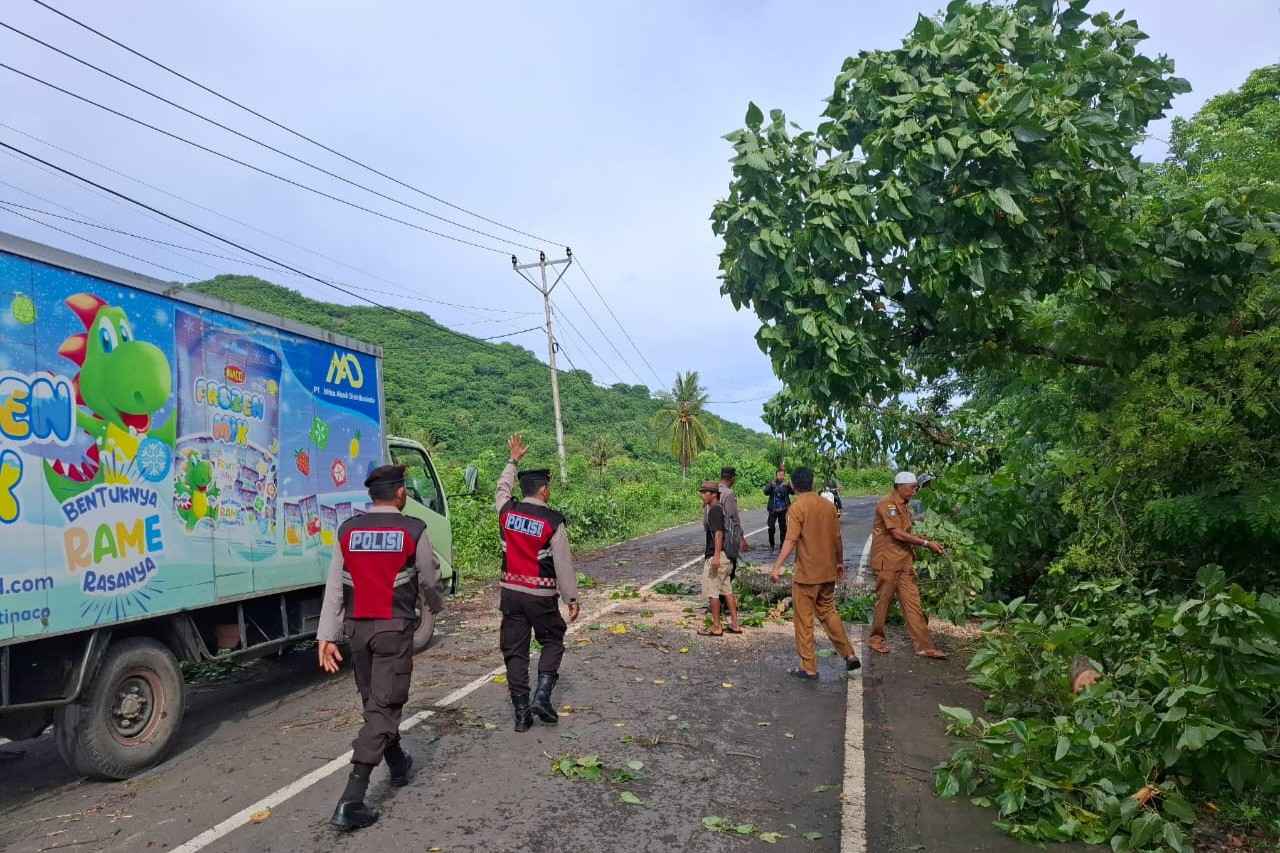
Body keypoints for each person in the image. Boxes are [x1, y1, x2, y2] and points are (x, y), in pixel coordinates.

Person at [317, 464, 442, 831]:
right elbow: (430, 578)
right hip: (393, 630)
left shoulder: (348, 530)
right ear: (401, 493)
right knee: (385, 706)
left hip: (357, 631)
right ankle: (351, 800)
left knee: (375, 701)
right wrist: (434, 606)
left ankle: (398, 762)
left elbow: (336, 586)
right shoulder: (413, 529)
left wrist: (326, 635)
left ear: (373, 495)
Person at [496, 434, 580, 732]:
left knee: (515, 651)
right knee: (553, 640)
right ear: (544, 490)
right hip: (540, 595)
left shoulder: (507, 512)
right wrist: (571, 598)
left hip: (510, 593)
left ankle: (521, 713)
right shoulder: (552, 521)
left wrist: (513, 460)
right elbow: (563, 564)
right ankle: (542, 695)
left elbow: (502, 489)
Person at [769, 467, 859, 680]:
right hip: (828, 572)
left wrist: (777, 566)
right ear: (812, 482)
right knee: (828, 612)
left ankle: (809, 667)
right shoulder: (828, 506)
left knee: (804, 620)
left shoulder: (797, 507)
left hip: (807, 575)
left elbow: (791, 539)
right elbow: (837, 539)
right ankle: (849, 654)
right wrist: (839, 563)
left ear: (793, 484)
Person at [867, 471, 948, 660]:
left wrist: (928, 539)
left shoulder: (906, 507)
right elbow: (897, 533)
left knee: (913, 604)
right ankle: (876, 639)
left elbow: (908, 531)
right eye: (912, 488)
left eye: (915, 488)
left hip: (904, 563)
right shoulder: (886, 504)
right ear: (900, 486)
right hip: (887, 563)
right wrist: (926, 544)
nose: (915, 491)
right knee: (883, 603)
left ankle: (924, 646)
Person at [698, 480, 741, 636]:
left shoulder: (715, 510)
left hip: (718, 557)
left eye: (705, 492)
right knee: (727, 591)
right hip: (727, 558)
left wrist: (715, 556)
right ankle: (735, 624)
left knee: (712, 592)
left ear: (714, 494)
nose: (702, 495)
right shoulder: (719, 509)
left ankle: (717, 626)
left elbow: (718, 533)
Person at [718, 466, 749, 578]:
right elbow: (733, 518)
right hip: (727, 536)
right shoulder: (728, 494)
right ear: (732, 478)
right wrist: (741, 538)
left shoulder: (713, 492)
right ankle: (725, 594)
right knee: (730, 567)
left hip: (713, 535)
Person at [762, 468, 795, 551]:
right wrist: (770, 485)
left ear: (784, 476)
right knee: (771, 527)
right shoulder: (772, 483)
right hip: (773, 510)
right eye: (779, 474)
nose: (781, 476)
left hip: (783, 510)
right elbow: (765, 492)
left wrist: (790, 484)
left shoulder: (786, 484)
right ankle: (772, 544)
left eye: (782, 475)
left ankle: (782, 545)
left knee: (783, 528)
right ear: (776, 475)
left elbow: (793, 492)